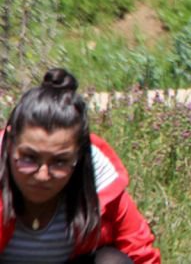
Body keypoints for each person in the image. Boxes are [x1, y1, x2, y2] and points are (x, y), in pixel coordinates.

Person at [0, 68, 160, 264]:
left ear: (79, 158)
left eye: (59, 162)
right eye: (29, 158)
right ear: (9, 146)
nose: (42, 175)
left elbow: (140, 253)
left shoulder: (102, 187)